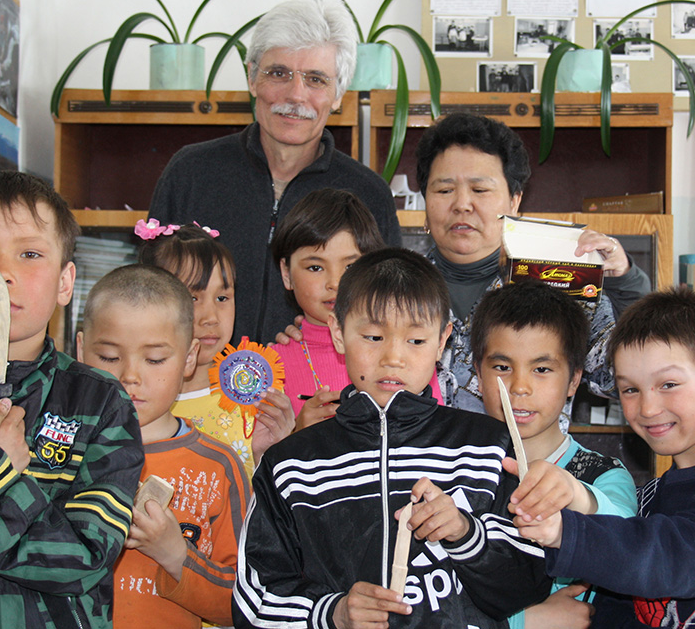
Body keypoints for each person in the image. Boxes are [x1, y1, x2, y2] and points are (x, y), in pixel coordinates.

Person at [234, 248, 551, 628]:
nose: (393, 358)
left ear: (442, 340)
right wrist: (332, 613)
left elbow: (531, 583)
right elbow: (254, 602)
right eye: (372, 336)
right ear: (338, 332)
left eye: (415, 341)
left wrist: (467, 535)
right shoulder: (291, 464)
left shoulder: (487, 446)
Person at [0, 171, 144, 628]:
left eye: (28, 254)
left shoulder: (100, 403)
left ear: (66, 283)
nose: (1, 272)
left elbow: (84, 559)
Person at [515, 287, 695, 628]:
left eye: (668, 384)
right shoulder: (649, 498)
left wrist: (568, 532)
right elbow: (622, 594)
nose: (648, 408)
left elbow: (679, 557)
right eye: (630, 389)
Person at [149, 0, 400, 346]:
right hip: (193, 389)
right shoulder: (190, 172)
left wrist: (326, 337)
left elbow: (387, 316)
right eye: (279, 73)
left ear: (338, 94)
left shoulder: (368, 194)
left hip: (314, 393)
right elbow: (148, 295)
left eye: (316, 79)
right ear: (252, 78)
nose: (296, 95)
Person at [416, 112, 651, 416]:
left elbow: (621, 378)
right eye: (444, 190)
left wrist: (624, 282)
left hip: (530, 464)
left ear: (514, 201)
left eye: (480, 190)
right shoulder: (397, 289)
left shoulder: (558, 283)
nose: (462, 204)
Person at [77, 264, 251, 629]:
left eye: (155, 359)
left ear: (189, 358)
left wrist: (175, 554)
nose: (130, 376)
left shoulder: (218, 466)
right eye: (109, 356)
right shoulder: (57, 454)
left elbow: (245, 607)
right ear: (80, 350)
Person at [471, 280, 637, 629]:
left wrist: (578, 496)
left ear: (574, 380)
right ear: (477, 374)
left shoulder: (601, 475)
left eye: (542, 369)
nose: (519, 387)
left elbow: (628, 546)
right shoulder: (450, 466)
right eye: (502, 367)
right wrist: (521, 621)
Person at [270, 188, 443, 431]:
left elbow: (435, 436)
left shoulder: (409, 356)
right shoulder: (270, 364)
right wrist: (296, 435)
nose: (334, 282)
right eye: (315, 268)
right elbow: (257, 458)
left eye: (350, 266)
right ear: (286, 273)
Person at [137, 221, 295, 476]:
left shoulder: (256, 395)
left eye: (222, 298)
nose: (210, 317)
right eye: (192, 298)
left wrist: (273, 452)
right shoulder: (135, 397)